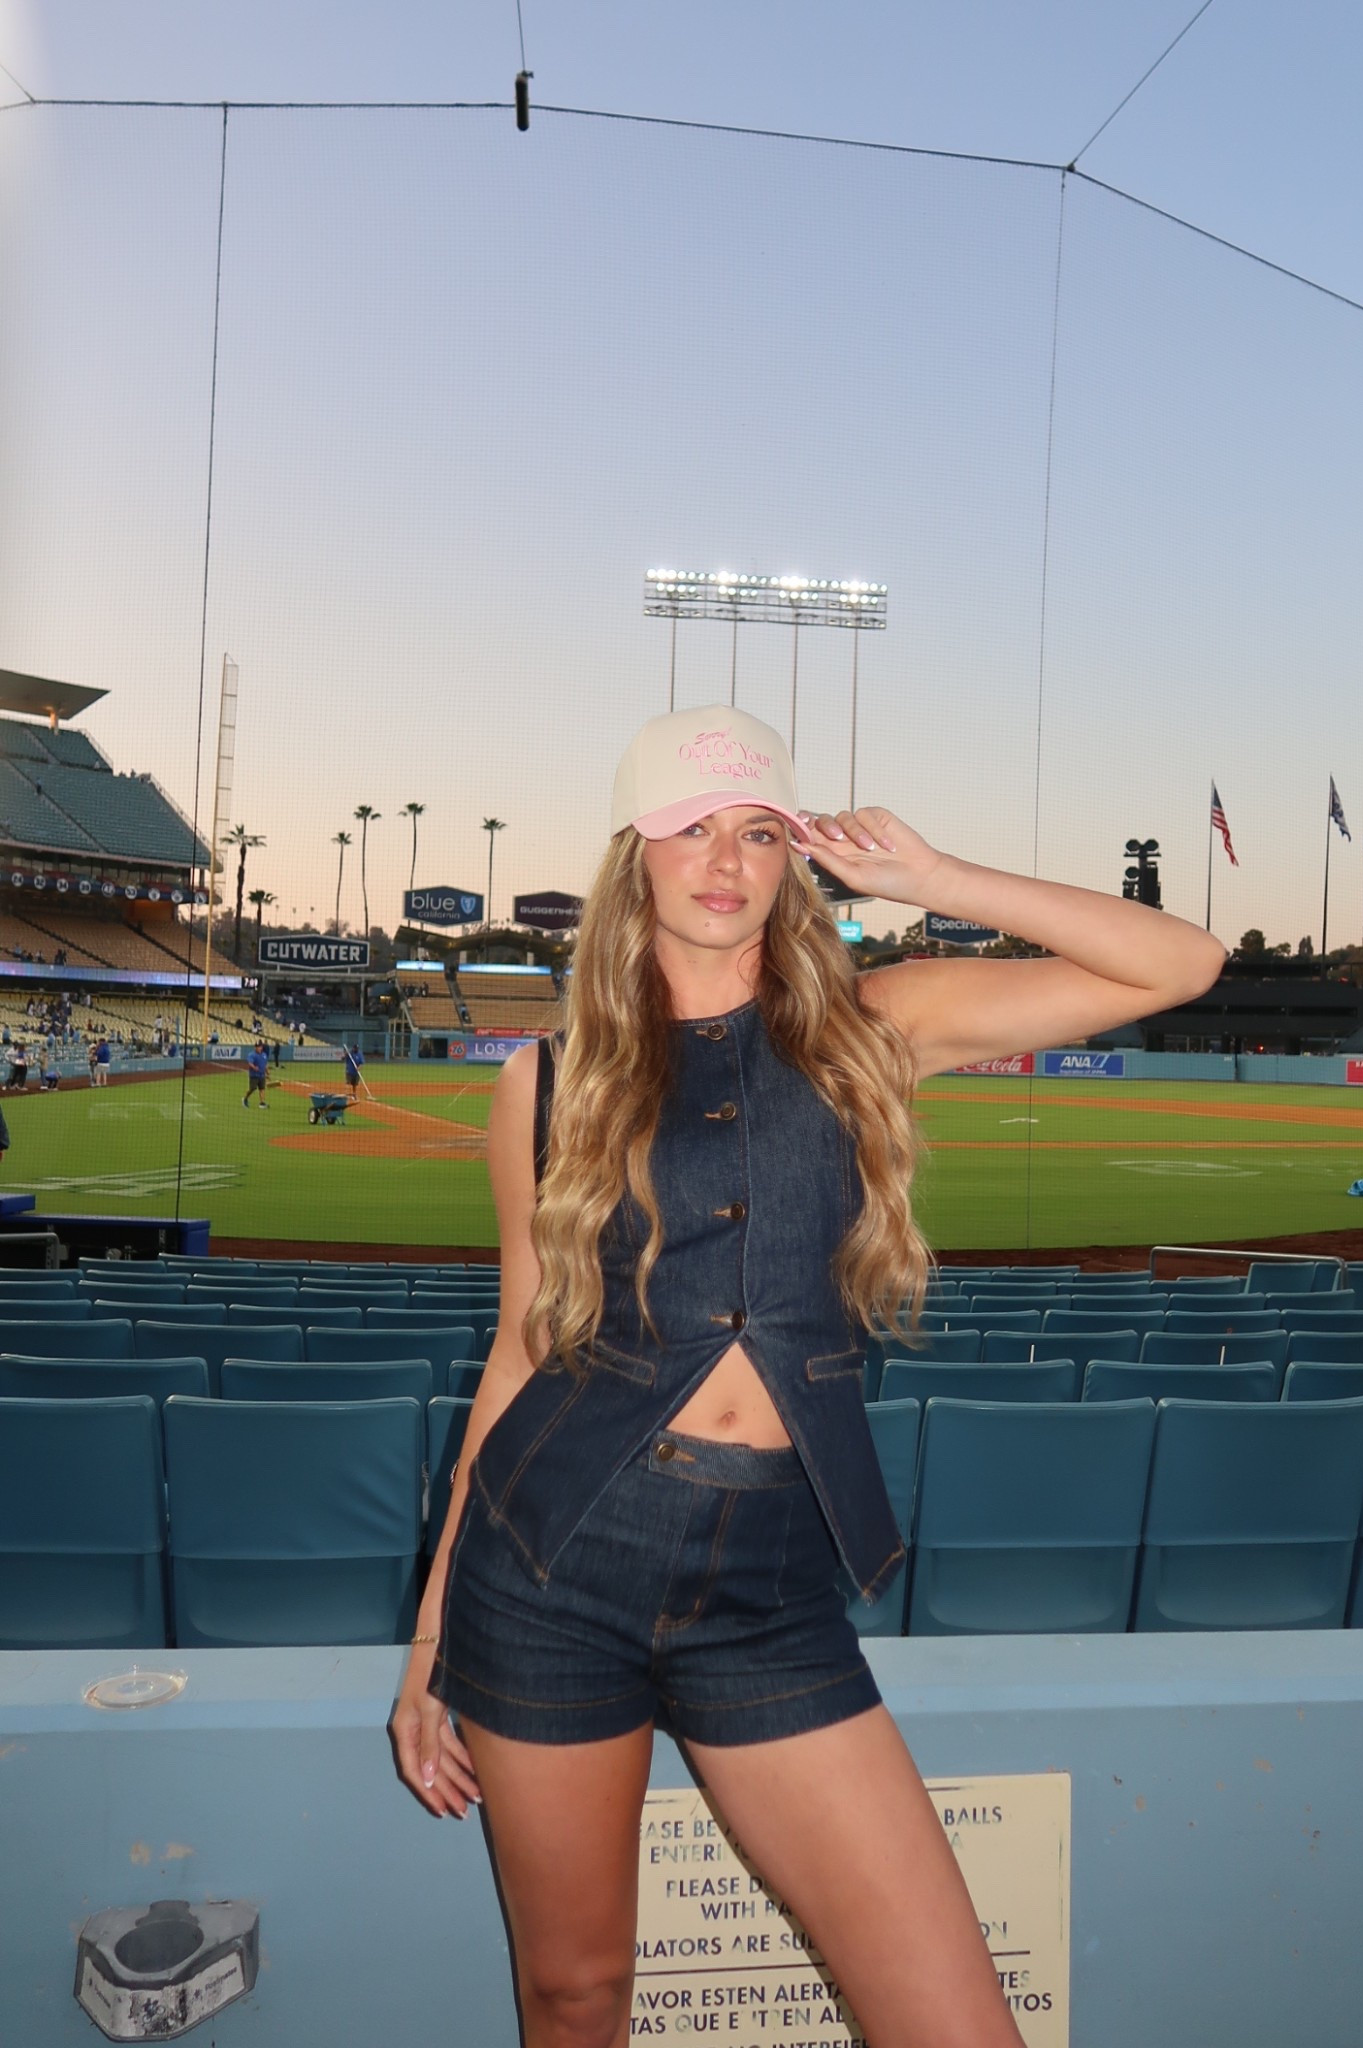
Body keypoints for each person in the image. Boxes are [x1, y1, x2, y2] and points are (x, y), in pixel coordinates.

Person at [391, 705, 1224, 2048]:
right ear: (635, 858)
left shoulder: (876, 1026)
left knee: (951, 2020)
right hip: (543, 1570)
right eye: (690, 828)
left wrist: (937, 883)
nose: (725, 859)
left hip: (766, 1582)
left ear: (795, 860)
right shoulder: (542, 1082)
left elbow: (1179, 961)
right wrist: (433, 1636)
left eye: (760, 830)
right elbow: (522, 1344)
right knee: (574, 1993)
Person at [242, 1039, 270, 1109]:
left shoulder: (264, 1055)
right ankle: (245, 1099)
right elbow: (250, 1063)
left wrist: (267, 1072)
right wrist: (254, 1067)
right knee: (252, 1088)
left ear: (261, 1047)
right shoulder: (252, 1055)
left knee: (262, 1088)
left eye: (259, 1046)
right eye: (257, 1046)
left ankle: (262, 1103)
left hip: (262, 1075)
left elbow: (265, 1064)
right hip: (254, 1075)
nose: (258, 1048)